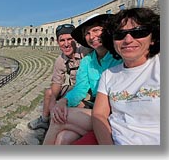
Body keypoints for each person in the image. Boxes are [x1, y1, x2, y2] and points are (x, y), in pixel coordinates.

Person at [43, 13, 122, 145]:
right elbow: (80, 88)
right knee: (63, 138)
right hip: (97, 109)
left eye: (96, 30)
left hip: (113, 114)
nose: (92, 36)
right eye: (87, 33)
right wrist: (63, 101)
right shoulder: (87, 61)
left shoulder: (119, 56)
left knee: (58, 121)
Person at [92, 7, 160, 145]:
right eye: (119, 34)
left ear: (152, 38)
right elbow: (99, 115)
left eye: (139, 32)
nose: (128, 39)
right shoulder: (108, 75)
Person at [28, 24, 91, 130]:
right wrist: (52, 101)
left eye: (69, 39)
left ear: (75, 40)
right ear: (57, 42)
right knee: (49, 92)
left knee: (78, 104)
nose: (66, 44)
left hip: (87, 88)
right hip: (74, 87)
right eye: (62, 40)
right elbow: (57, 82)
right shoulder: (60, 60)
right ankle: (44, 119)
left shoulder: (85, 51)